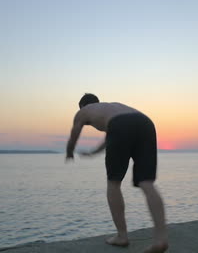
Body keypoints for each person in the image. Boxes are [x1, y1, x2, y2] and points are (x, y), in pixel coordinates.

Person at [66, 93, 168, 253]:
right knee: (147, 183)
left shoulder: (83, 111)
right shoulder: (113, 108)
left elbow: (75, 132)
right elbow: (113, 135)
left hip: (121, 126)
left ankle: (122, 236)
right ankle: (161, 239)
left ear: (83, 106)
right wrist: (94, 152)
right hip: (145, 122)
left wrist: (69, 151)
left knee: (113, 183)